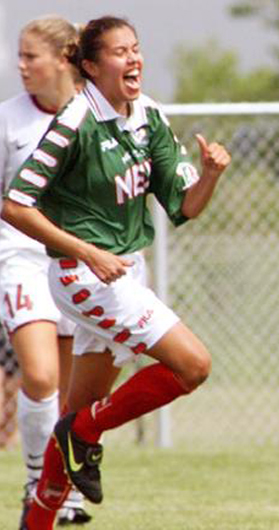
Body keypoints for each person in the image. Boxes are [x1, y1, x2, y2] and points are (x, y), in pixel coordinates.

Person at [3, 15, 230, 530]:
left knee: (76, 413)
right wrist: (87, 252)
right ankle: (83, 433)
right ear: (89, 65)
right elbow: (16, 206)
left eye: (136, 48)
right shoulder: (74, 121)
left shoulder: (148, 115)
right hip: (86, 278)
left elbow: (184, 206)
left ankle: (39, 514)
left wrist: (211, 176)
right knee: (193, 366)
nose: (134, 59)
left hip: (126, 273)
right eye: (119, 52)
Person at [0, 15, 92, 526]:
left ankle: (64, 487)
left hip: (79, 263)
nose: (21, 65)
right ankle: (38, 481)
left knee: (72, 392)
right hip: (21, 259)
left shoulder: (91, 114)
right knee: (39, 376)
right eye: (19, 54)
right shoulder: (8, 119)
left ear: (63, 58)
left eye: (30, 56)